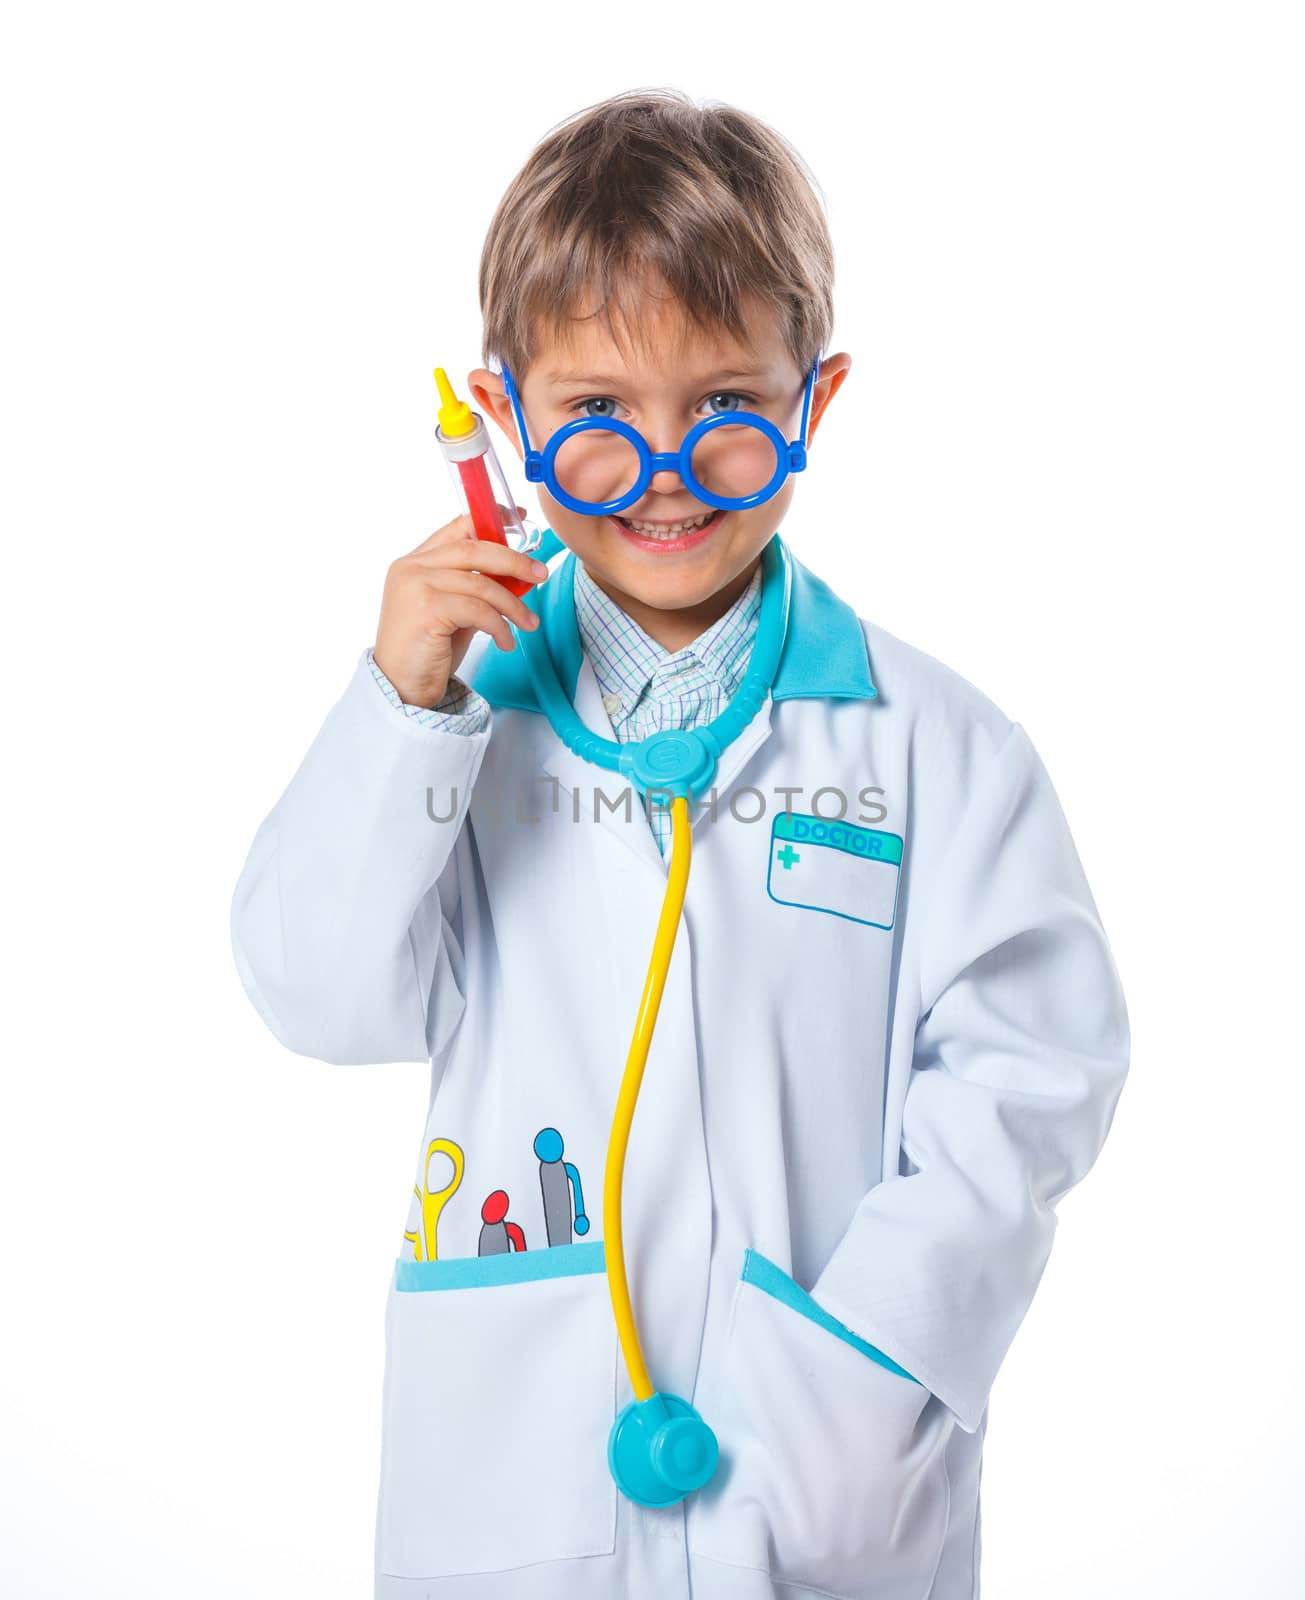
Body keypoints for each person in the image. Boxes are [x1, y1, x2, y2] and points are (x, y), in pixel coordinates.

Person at [229, 87, 1130, 1600]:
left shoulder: (937, 749)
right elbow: (316, 994)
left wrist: (863, 1368)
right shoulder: (452, 729)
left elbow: (1035, 1069)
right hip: (521, 1493)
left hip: (829, 1495)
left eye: (723, 410)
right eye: (593, 418)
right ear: (502, 422)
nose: (661, 469)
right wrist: (401, 705)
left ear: (811, 403)